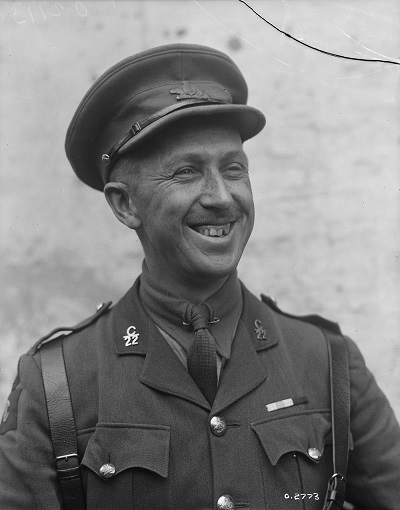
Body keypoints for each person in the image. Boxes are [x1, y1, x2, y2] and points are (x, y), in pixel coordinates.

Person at [0, 43, 399, 510]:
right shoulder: (58, 380)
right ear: (124, 204)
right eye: (187, 172)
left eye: (234, 169)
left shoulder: (328, 361)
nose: (222, 197)